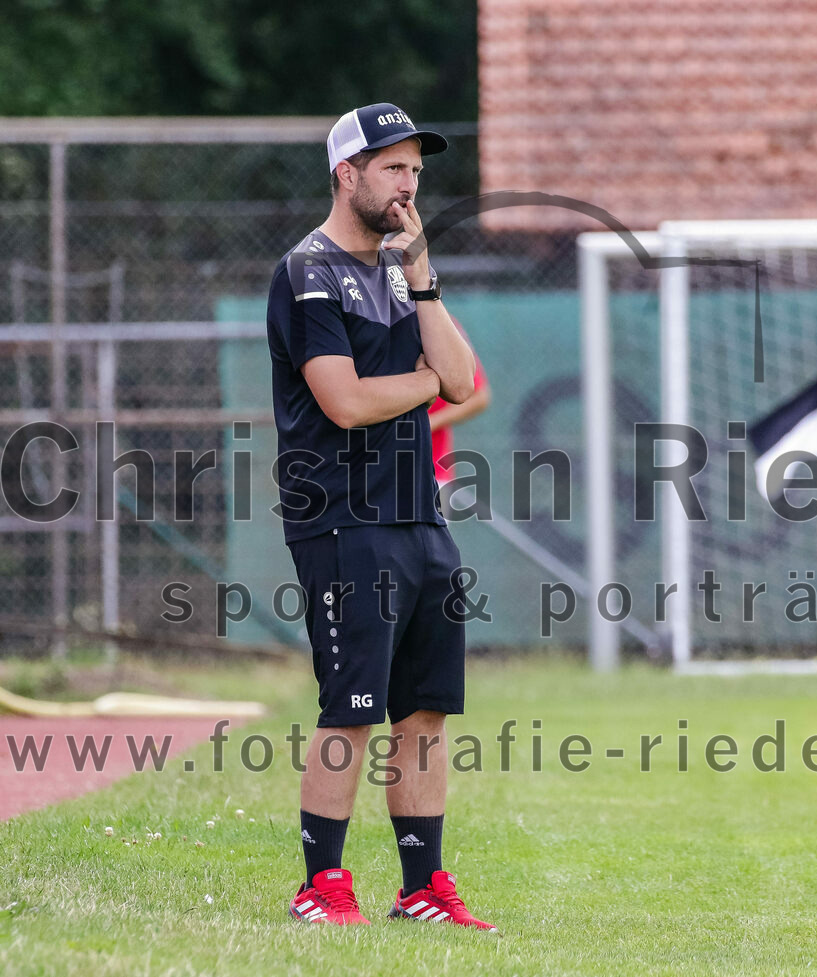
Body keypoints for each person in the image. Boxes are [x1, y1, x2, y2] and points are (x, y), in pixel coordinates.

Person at [265, 102, 496, 930]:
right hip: (341, 519)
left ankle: (422, 888)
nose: (409, 186)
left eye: (416, 172)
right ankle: (320, 887)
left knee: (425, 710)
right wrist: (430, 382)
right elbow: (347, 401)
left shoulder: (404, 272)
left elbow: (466, 378)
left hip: (418, 517)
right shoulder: (306, 272)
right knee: (352, 710)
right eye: (393, 168)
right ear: (347, 174)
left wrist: (425, 275)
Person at [428, 325, 490, 511]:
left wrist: (425, 424)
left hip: (431, 471)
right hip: (372, 471)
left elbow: (479, 397)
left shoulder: (442, 324)